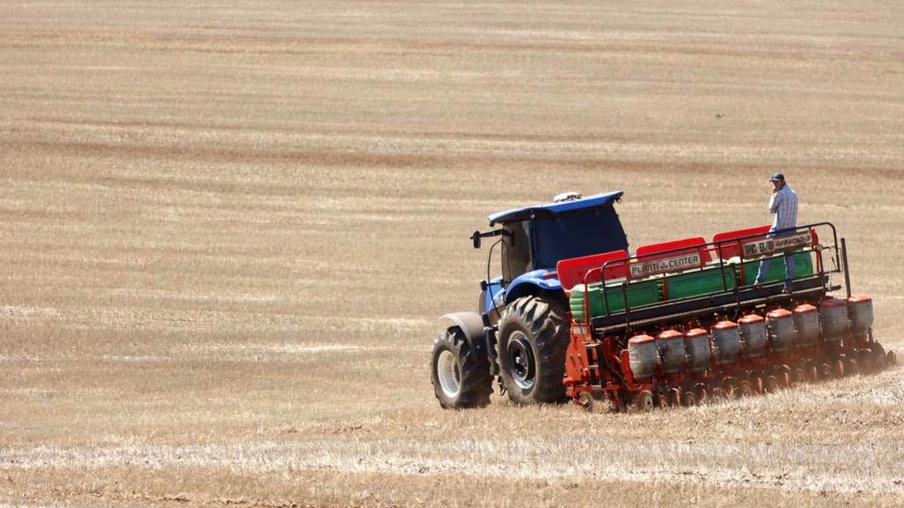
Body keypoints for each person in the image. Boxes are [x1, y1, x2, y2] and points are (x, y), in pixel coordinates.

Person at [754, 173, 799, 293]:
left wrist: (773, 194)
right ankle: (789, 285)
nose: (774, 184)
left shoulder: (779, 194)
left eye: (776, 182)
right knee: (789, 257)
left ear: (783, 181)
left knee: (766, 254)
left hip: (778, 230)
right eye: (773, 182)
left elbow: (771, 209)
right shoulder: (794, 194)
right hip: (792, 230)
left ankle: (759, 281)